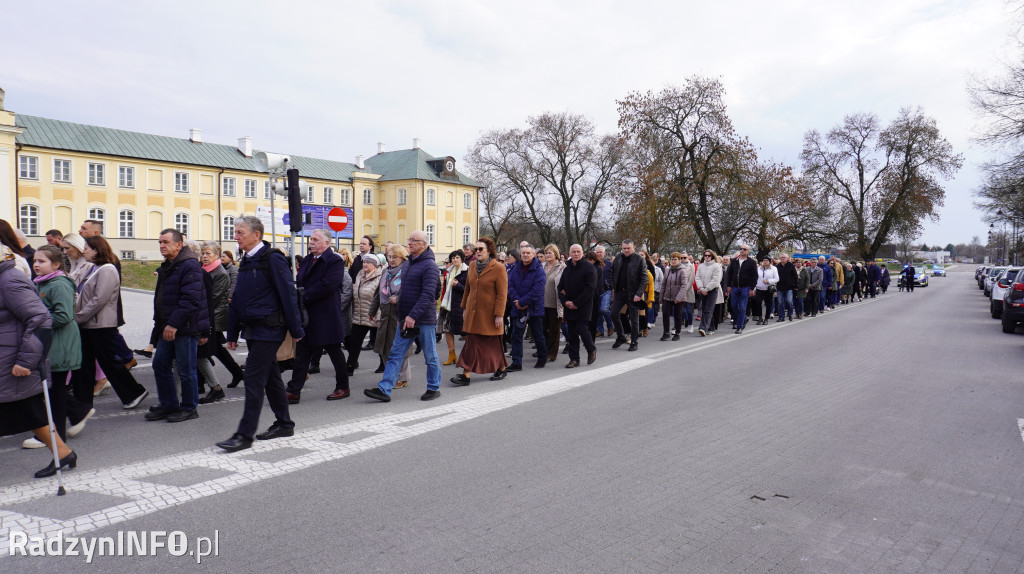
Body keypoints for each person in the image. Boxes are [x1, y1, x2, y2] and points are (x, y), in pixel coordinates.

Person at [217, 216, 305, 452]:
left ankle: (244, 435)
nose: (236, 236)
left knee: (254, 379)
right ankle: (285, 423)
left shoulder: (273, 259)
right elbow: (237, 300)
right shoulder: (246, 260)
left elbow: (288, 295)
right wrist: (232, 332)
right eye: (235, 232)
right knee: (271, 377)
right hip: (253, 329)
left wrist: (296, 330)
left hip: (271, 328)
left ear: (256, 235)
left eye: (240, 232)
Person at [0, 244, 77, 479]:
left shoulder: (10, 280)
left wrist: (26, 361)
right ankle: (63, 453)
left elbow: (41, 319)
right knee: (30, 413)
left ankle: (63, 453)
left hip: (15, 361)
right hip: (7, 358)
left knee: (30, 411)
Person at [21, 246, 92, 449]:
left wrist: (35, 320)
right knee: (52, 390)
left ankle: (57, 435)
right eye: (35, 260)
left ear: (56, 264)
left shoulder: (59, 284)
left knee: (54, 391)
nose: (35, 264)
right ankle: (76, 412)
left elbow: (64, 316)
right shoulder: (43, 283)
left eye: (42, 261)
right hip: (49, 343)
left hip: (60, 344)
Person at [71, 236, 150, 410]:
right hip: (89, 325)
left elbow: (99, 300)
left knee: (109, 364)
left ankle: (134, 392)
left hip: (100, 326)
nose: (84, 251)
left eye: (87, 248)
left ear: (97, 250)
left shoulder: (107, 269)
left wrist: (79, 317)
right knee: (84, 365)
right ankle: (82, 404)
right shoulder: (93, 268)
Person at [364, 230, 442, 401]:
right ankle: (384, 389)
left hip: (423, 319)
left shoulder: (429, 266)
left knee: (430, 355)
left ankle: (433, 387)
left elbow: (429, 293)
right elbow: (404, 291)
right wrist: (403, 311)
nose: (410, 242)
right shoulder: (409, 263)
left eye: (414, 240)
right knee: (395, 354)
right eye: (410, 239)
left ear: (424, 244)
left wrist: (413, 315)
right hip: (405, 318)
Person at [145, 230, 208, 422]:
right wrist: (161, 326)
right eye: (160, 242)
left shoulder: (189, 265)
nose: (162, 246)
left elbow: (191, 300)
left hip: (185, 327)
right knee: (160, 364)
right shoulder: (168, 265)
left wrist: (173, 324)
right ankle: (168, 403)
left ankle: (189, 407)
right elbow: (162, 299)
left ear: (179, 245)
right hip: (167, 326)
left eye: (166, 242)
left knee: (186, 369)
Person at [285, 229, 350, 404]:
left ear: (326, 243)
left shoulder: (335, 260)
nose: (311, 242)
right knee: (302, 352)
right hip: (308, 313)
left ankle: (343, 386)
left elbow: (328, 285)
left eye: (315, 239)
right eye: (310, 239)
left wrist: (303, 297)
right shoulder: (308, 259)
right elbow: (300, 280)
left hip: (326, 313)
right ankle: (294, 391)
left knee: (334, 351)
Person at [448, 237, 507, 387]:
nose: (478, 252)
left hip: (490, 314)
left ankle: (499, 369)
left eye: (481, 249)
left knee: (493, 343)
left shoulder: (498, 268)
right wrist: (464, 308)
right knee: (472, 342)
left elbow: (502, 294)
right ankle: (466, 375)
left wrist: (499, 314)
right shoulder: (472, 266)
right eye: (476, 249)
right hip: (473, 312)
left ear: (489, 251)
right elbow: (467, 288)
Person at [370, 249, 414, 385]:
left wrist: (398, 299)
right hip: (385, 312)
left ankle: (402, 378)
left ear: (402, 257)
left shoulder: (407, 272)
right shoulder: (385, 272)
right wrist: (372, 310)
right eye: (389, 256)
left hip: (400, 313)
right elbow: (378, 293)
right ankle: (391, 376)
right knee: (383, 346)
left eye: (395, 257)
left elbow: (411, 293)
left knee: (400, 348)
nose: (391, 259)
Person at [506, 244, 548, 371]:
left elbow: (538, 290)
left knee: (538, 334)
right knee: (516, 335)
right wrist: (516, 301)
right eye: (523, 253)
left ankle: (542, 358)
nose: (525, 255)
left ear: (533, 254)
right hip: (518, 307)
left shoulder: (539, 270)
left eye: (528, 253)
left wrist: (523, 302)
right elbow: (510, 285)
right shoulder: (516, 269)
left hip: (534, 307)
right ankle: (516, 362)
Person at [557, 244, 597, 368]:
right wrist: (565, 301)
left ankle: (591, 349)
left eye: (578, 251)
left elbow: (590, 288)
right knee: (572, 332)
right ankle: (574, 359)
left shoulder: (588, 267)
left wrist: (576, 303)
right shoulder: (567, 268)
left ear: (582, 252)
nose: (576, 254)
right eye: (573, 252)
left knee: (582, 328)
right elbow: (560, 287)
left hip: (583, 305)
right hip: (569, 305)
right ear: (569, 253)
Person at [346, 251, 383, 375]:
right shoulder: (360, 275)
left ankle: (383, 365)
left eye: (368, 262)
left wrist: (377, 314)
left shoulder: (380, 276)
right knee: (354, 342)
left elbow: (380, 297)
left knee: (380, 343)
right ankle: (350, 366)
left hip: (375, 315)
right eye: (364, 262)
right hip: (360, 315)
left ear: (375, 265)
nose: (365, 264)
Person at [610, 239, 648, 351]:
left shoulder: (639, 259)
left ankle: (634, 342)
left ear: (633, 248)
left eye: (628, 248)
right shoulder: (618, 258)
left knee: (634, 319)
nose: (626, 250)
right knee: (613, 314)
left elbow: (644, 279)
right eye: (624, 248)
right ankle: (621, 337)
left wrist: (638, 294)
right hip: (619, 292)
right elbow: (612, 273)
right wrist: (613, 286)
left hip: (633, 294)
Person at [438, 250, 467, 365]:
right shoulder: (449, 271)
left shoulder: (467, 271)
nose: (455, 260)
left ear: (462, 259)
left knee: (463, 332)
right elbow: (445, 288)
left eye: (457, 258)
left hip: (460, 305)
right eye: (453, 258)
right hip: (447, 304)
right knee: (447, 330)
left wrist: (457, 285)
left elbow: (469, 290)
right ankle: (452, 355)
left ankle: (472, 354)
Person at [541, 244, 566, 362]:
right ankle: (544, 350)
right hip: (542, 303)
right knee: (542, 329)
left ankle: (552, 353)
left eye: (550, 253)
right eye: (546, 253)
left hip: (555, 304)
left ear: (556, 254)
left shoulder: (561, 267)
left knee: (554, 330)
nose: (547, 255)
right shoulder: (541, 266)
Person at [726, 245, 757, 334]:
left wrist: (752, 288)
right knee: (734, 306)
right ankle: (744, 318)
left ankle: (739, 327)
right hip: (735, 287)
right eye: (741, 249)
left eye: (744, 249)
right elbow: (729, 274)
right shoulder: (734, 261)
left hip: (745, 287)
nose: (742, 250)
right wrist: (729, 285)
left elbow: (754, 276)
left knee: (742, 307)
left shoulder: (751, 262)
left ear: (748, 251)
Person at [659, 253, 689, 340]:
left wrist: (678, 298)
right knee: (665, 314)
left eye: (675, 259)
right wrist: (661, 297)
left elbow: (684, 285)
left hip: (678, 297)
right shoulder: (668, 270)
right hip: (667, 296)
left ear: (679, 260)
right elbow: (663, 284)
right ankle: (666, 332)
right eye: (672, 259)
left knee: (678, 315)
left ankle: (677, 333)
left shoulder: (682, 271)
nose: (673, 261)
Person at [695, 249, 723, 336]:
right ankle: (711, 327)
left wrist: (706, 289)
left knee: (708, 309)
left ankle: (703, 328)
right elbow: (697, 277)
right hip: (703, 289)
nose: (707, 257)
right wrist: (701, 288)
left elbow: (716, 280)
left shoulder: (716, 266)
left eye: (709, 255)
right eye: (705, 255)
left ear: (712, 256)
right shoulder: (701, 266)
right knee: (704, 309)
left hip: (712, 290)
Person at [593, 245, 613, 338]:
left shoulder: (609, 264)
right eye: (597, 252)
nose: (599, 254)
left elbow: (614, 276)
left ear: (604, 253)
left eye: (600, 252)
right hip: (596, 291)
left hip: (606, 290)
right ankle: (600, 330)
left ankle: (610, 326)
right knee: (597, 312)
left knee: (604, 309)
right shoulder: (593, 264)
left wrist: (612, 287)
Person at [775, 253, 798, 322]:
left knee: (789, 301)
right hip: (780, 287)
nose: (783, 258)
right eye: (781, 257)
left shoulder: (791, 266)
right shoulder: (777, 266)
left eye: (784, 257)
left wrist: (796, 285)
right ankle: (781, 316)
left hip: (789, 287)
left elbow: (795, 276)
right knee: (780, 303)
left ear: (787, 258)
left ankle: (790, 314)